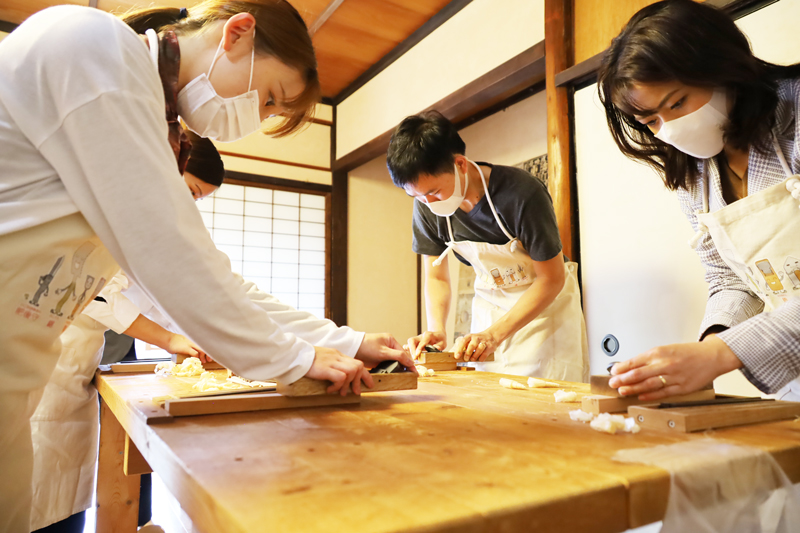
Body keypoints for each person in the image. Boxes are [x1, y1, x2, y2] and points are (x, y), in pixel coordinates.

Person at [0, 3, 411, 531]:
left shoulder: (152, 118)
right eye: (267, 99)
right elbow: (170, 253)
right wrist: (287, 358)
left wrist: (346, 342)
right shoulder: (94, 47)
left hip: (17, 372)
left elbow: (215, 278)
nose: (255, 119)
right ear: (237, 32)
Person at [596, 0, 800, 401]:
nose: (669, 128)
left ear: (723, 68)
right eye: (651, 120)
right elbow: (730, 278)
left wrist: (723, 355)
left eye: (676, 103)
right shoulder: (697, 172)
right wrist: (711, 342)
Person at [387, 111, 588, 380]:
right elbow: (436, 276)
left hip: (545, 313)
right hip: (490, 310)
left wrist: (494, 334)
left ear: (460, 164)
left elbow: (551, 278)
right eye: (417, 196)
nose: (428, 204)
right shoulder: (426, 206)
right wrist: (437, 328)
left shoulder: (521, 193)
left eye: (434, 192)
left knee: (545, 401)